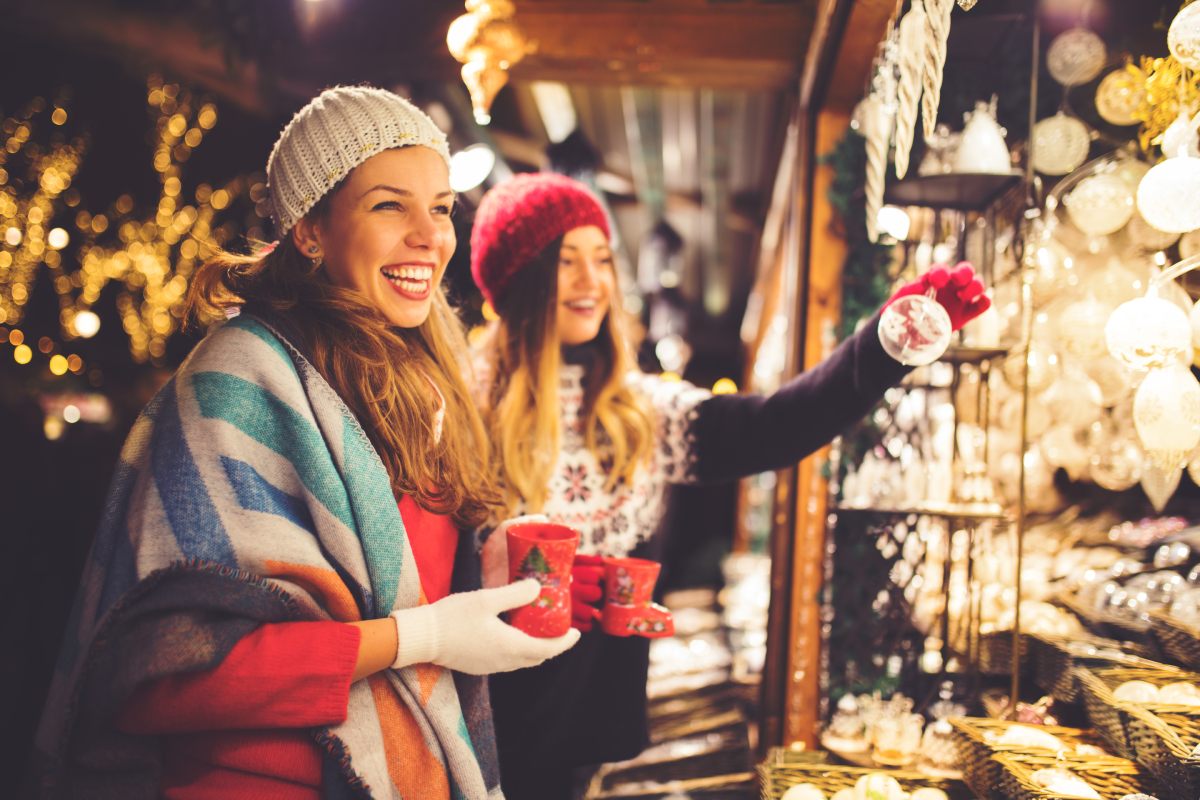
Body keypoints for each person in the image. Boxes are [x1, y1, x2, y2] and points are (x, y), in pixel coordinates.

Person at [32, 86, 578, 800]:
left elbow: (405, 588)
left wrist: (487, 571)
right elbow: (163, 677)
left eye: (441, 208)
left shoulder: (420, 383)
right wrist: (427, 638)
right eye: (389, 205)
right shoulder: (237, 384)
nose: (429, 235)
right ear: (310, 230)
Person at [467, 172, 991, 798]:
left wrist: (883, 346)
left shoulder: (641, 411)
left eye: (603, 259)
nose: (591, 281)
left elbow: (773, 427)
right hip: (478, 724)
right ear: (515, 281)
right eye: (564, 261)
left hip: (588, 733)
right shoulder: (464, 410)